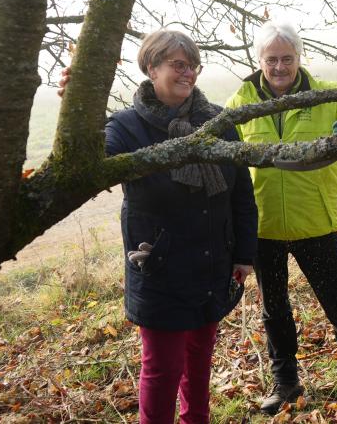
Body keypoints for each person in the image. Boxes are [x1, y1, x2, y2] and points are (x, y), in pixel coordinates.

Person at [225, 21, 337, 415]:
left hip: (315, 222)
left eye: (287, 58)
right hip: (264, 228)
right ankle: (285, 382)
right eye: (272, 59)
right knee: (274, 309)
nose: (279, 67)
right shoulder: (242, 102)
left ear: (299, 58)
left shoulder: (324, 96)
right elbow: (216, 141)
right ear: (259, 60)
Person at [104, 29, 259, 424]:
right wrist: (80, 109)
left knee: (199, 363)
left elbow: (242, 192)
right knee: (163, 371)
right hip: (160, 270)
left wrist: (243, 254)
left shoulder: (219, 121)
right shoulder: (126, 127)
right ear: (151, 68)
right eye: (178, 64)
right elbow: (91, 161)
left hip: (212, 264)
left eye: (193, 66)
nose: (188, 73)